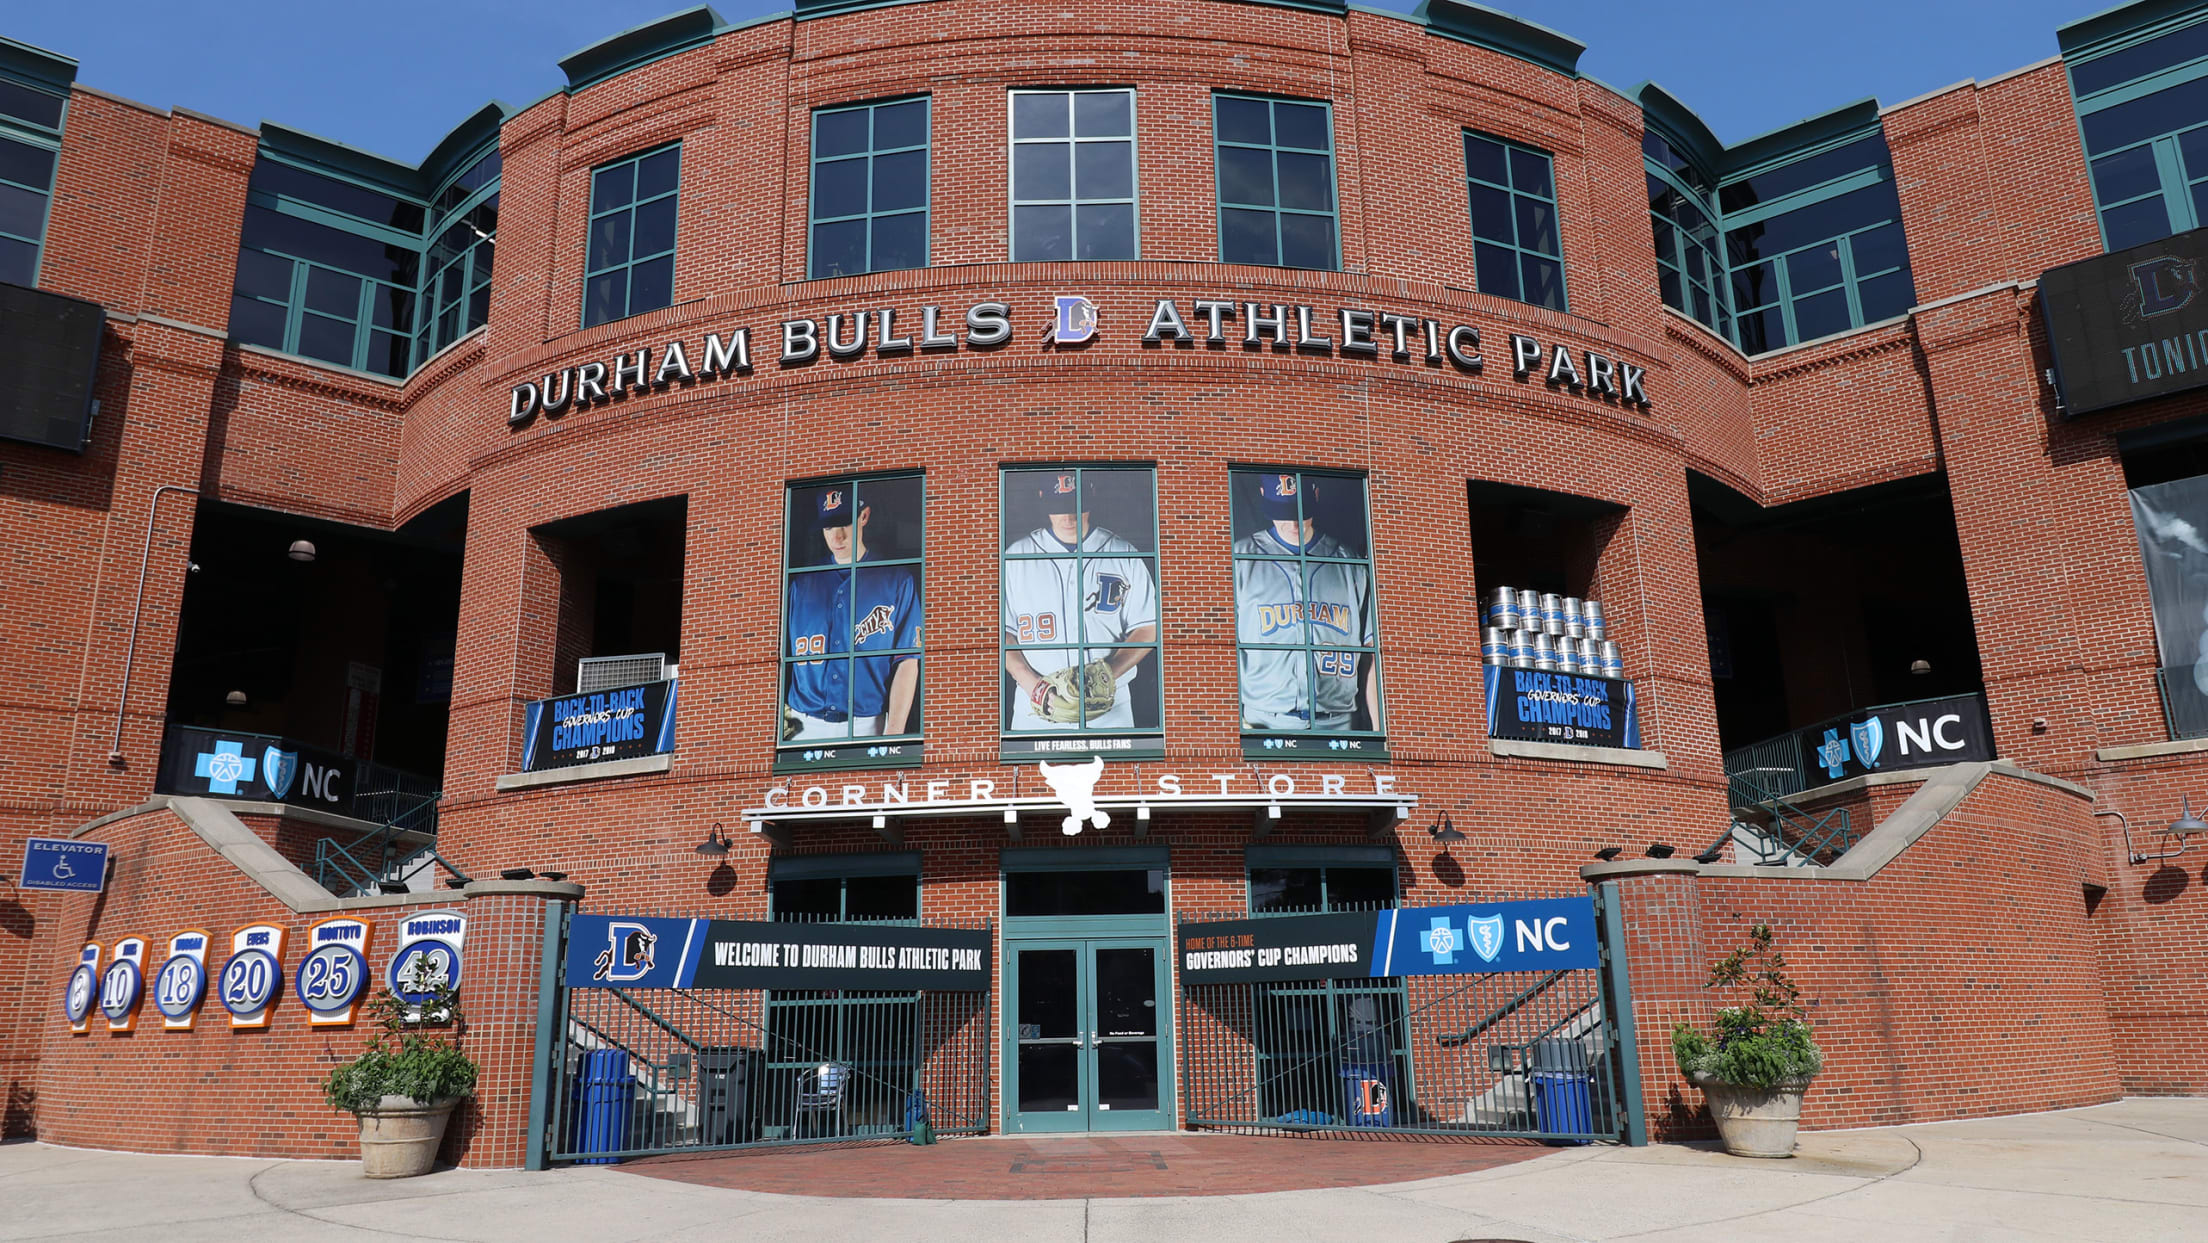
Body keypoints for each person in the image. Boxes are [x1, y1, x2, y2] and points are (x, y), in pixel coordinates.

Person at [1003, 472, 1159, 730]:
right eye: (1060, 507)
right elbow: (1002, 634)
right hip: (1035, 710)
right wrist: (1032, 685)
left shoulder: (1123, 553)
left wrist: (1108, 674)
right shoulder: (1016, 557)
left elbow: (1147, 626)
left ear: (1091, 498)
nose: (1068, 517)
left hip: (1111, 707)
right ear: (1042, 499)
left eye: (1076, 506)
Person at [1233, 472, 1380, 732]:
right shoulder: (1240, 559)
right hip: (1263, 721)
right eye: (1283, 511)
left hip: (1339, 721)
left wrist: (1382, 734)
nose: (1293, 523)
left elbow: (1372, 656)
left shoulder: (1350, 563)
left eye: (1302, 511)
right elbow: (1219, 650)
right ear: (1264, 496)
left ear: (1316, 497)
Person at [783, 487, 920, 741]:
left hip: (867, 724)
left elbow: (908, 661)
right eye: (828, 527)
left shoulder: (896, 580)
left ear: (863, 516)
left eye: (844, 522)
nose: (837, 536)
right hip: (802, 722)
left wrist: (894, 733)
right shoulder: (800, 585)